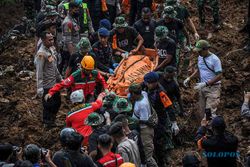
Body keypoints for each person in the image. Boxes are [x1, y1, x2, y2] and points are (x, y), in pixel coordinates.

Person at [143, 72, 179, 167]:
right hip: (151, 114)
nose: (146, 84)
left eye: (148, 83)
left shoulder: (161, 93)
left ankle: (162, 160)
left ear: (154, 83)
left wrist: (174, 122)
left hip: (160, 117)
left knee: (158, 139)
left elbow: (169, 107)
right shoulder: (147, 85)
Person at [183, 40, 222, 119]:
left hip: (213, 89)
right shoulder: (200, 57)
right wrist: (189, 78)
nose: (199, 53)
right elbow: (200, 70)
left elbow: (219, 75)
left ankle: (211, 130)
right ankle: (203, 129)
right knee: (202, 112)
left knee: (209, 114)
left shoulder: (215, 59)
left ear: (206, 49)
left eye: (200, 51)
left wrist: (206, 83)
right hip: (202, 88)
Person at [35, 31, 62, 128]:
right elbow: (39, 71)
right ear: (43, 40)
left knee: (57, 102)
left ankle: (53, 120)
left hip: (54, 83)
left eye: (52, 39)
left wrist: (60, 79)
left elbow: (54, 67)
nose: (52, 41)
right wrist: (39, 87)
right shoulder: (41, 54)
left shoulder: (51, 49)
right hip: (46, 85)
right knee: (48, 106)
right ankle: (47, 123)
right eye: (49, 40)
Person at [128, 83, 158, 167]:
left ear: (134, 93)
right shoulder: (144, 93)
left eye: (131, 93)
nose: (130, 95)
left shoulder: (142, 105)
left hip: (145, 130)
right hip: (143, 129)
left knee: (148, 155)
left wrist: (133, 120)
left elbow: (145, 121)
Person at [61, 2, 80, 73]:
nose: (77, 12)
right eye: (76, 10)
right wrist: (73, 55)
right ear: (70, 9)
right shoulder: (68, 22)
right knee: (68, 70)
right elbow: (68, 41)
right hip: (69, 52)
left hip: (75, 49)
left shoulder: (74, 19)